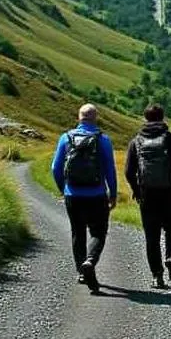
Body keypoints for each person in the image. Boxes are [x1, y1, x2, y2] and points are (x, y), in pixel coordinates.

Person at [51, 103, 117, 293]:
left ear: (79, 117)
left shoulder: (66, 138)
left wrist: (63, 189)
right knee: (98, 232)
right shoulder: (103, 139)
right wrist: (112, 194)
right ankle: (91, 260)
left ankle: (82, 271)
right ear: (96, 118)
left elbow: (55, 168)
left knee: (77, 233)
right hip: (97, 195)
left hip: (73, 195)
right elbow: (110, 170)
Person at [124, 104, 171, 288]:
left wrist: (137, 191)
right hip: (169, 193)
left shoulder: (136, 141)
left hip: (147, 194)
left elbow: (129, 172)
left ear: (145, 119)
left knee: (151, 236)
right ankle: (170, 257)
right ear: (163, 117)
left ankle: (157, 276)